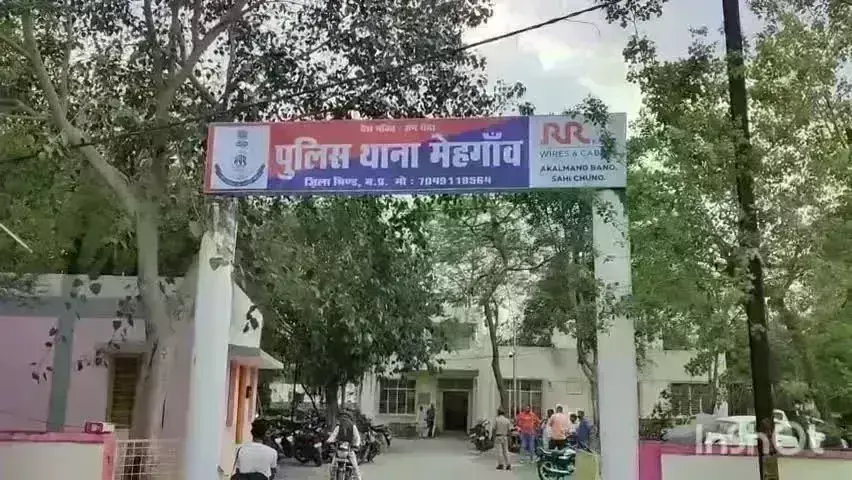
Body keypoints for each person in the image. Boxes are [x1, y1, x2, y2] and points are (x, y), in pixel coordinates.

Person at [326, 411, 362, 480]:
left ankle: (358, 478)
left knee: (355, 466)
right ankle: (332, 477)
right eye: (343, 418)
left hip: (349, 449)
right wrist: (330, 441)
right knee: (333, 466)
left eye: (345, 417)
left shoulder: (352, 426)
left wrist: (356, 445)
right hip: (340, 450)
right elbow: (333, 435)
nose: (344, 419)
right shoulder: (339, 426)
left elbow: (357, 437)